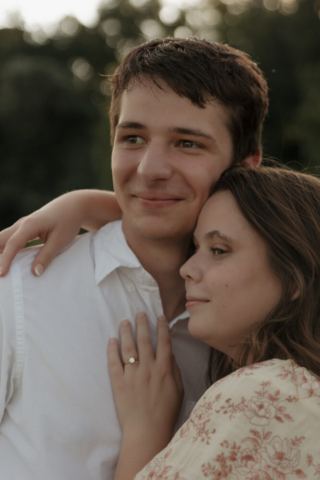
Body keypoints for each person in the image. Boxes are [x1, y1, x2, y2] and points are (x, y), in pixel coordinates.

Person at [0, 38, 268, 480]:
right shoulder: (17, 293)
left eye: (187, 143)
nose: (149, 169)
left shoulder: (270, 319)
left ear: (246, 165)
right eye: (133, 138)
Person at [109, 165, 320, 480]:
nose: (188, 269)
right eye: (195, 248)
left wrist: (144, 432)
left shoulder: (262, 394)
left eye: (219, 250)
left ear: (293, 280)